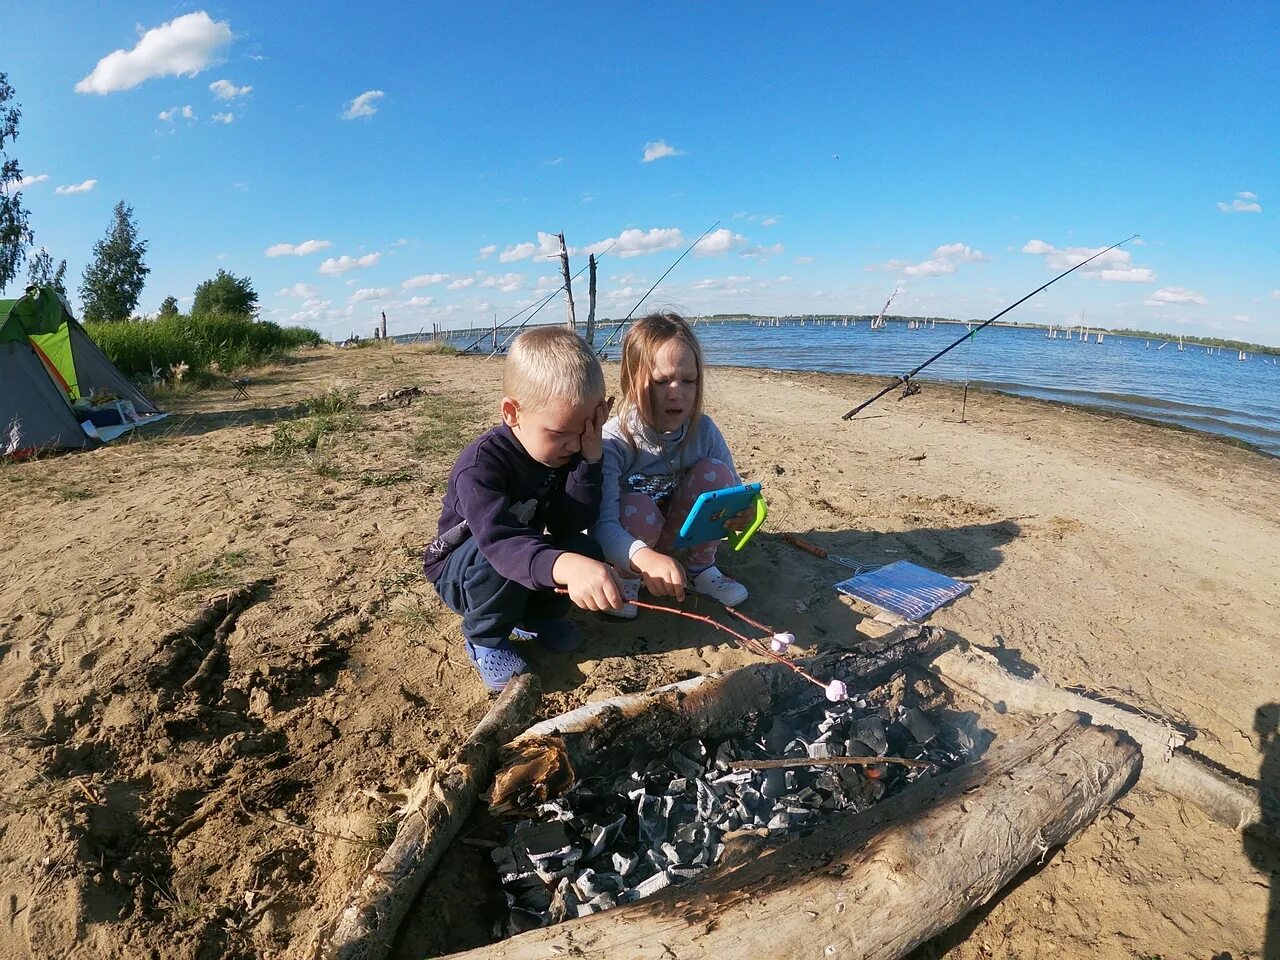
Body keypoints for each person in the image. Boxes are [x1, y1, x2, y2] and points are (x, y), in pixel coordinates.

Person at [424, 327, 623, 691]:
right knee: (501, 560)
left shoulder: (573, 450)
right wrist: (564, 566)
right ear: (512, 413)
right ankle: (485, 638)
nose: (574, 443)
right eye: (561, 432)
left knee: (583, 548)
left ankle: (538, 617)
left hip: (519, 553)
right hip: (463, 570)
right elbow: (501, 542)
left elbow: (569, 522)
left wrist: (590, 460)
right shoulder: (482, 465)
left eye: (585, 431)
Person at [592, 312, 751, 619]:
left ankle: (701, 569)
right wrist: (641, 558)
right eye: (662, 381)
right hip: (631, 546)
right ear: (632, 381)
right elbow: (602, 524)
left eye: (688, 381)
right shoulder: (614, 442)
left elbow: (735, 491)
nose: (676, 392)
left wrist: (743, 513)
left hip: (680, 536)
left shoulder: (703, 430)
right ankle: (627, 579)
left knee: (715, 473)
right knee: (635, 505)